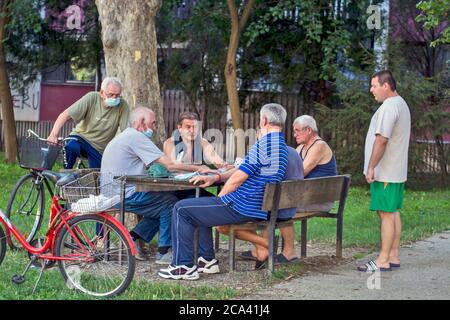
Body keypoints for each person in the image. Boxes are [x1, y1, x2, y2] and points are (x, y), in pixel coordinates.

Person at [157, 103, 289, 280]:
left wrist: (220, 199)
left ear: (263, 120)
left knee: (181, 209)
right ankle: (206, 261)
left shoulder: (263, 145)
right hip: (258, 205)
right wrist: (216, 178)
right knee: (199, 207)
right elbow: (241, 171)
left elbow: (237, 179)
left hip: (242, 205)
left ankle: (183, 266)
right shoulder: (281, 146)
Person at [100, 106, 210, 263]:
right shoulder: (136, 137)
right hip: (123, 193)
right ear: (141, 122)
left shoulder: (125, 135)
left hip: (114, 190)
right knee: (170, 203)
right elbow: (170, 165)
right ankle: (164, 252)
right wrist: (199, 168)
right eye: (153, 123)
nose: (154, 127)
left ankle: (133, 237)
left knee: (163, 201)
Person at [358, 70, 410, 273]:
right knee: (393, 213)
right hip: (396, 171)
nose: (371, 90)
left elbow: (382, 139)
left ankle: (382, 260)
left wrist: (371, 167)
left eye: (374, 86)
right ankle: (393, 255)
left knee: (386, 215)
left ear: (386, 86)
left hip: (386, 172)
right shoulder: (401, 104)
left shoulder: (389, 107)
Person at [48, 77, 130, 169]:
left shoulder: (122, 105)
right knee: (71, 146)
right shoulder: (92, 98)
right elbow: (65, 115)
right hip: (82, 138)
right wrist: (53, 134)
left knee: (96, 177)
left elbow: (126, 131)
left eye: (117, 95)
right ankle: (66, 173)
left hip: (99, 148)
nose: (114, 98)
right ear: (102, 93)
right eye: (111, 95)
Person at [163, 112, 233, 199]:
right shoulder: (170, 143)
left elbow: (219, 163)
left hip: (195, 187)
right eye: (188, 127)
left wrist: (235, 166)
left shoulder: (202, 142)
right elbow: (172, 166)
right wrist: (199, 168)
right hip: (174, 190)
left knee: (218, 202)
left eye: (195, 127)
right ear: (179, 128)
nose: (192, 131)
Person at [293, 115, 337, 179]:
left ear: (308, 130)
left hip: (324, 188)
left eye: (297, 130)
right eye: (294, 131)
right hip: (307, 187)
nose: (295, 135)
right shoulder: (300, 147)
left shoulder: (320, 145)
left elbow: (300, 173)